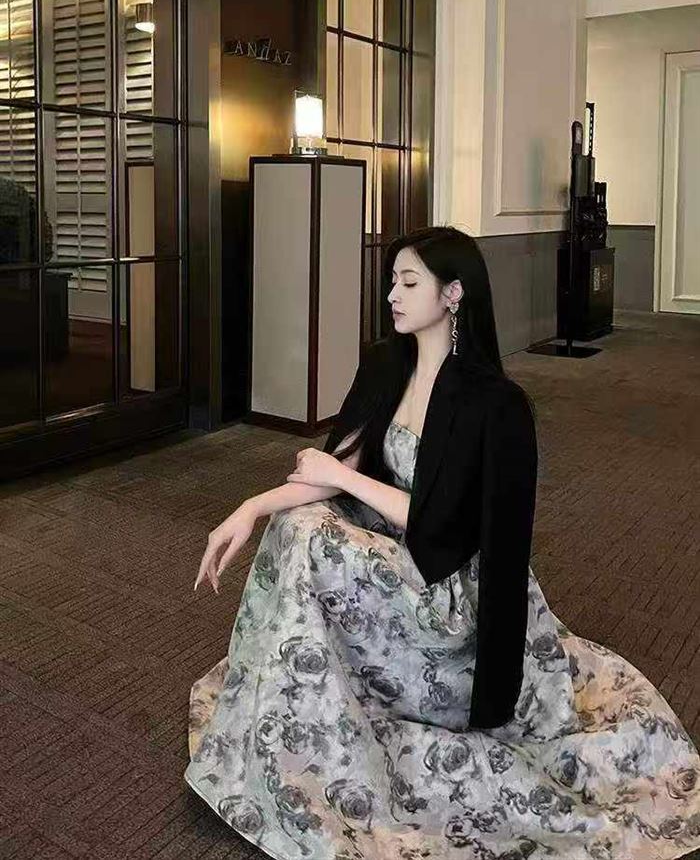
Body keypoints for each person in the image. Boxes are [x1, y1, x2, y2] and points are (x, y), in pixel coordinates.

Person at [185, 226, 700, 860]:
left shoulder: (494, 403)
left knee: (310, 533)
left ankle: (301, 705)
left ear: (453, 294)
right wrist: (249, 508)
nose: (392, 295)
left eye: (408, 283)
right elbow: (339, 465)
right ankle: (295, 709)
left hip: (452, 586)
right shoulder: (386, 363)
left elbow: (442, 526)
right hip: (398, 553)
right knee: (295, 524)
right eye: (391, 282)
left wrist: (343, 479)